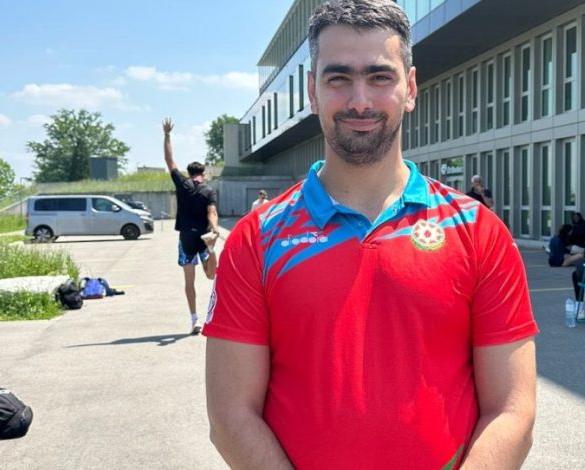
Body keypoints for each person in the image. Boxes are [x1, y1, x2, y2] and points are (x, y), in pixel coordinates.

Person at [202, 1, 539, 468]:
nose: (359, 100)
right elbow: (231, 415)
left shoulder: (479, 232)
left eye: (380, 77)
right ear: (313, 92)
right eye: (338, 78)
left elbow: (511, 411)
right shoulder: (256, 239)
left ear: (410, 88)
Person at [162, 117, 219, 335]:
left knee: (189, 281)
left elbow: (169, 160)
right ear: (202, 174)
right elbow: (211, 212)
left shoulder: (182, 183)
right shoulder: (208, 190)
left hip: (186, 237)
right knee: (211, 275)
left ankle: (195, 319)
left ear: (189, 173)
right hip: (204, 235)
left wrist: (167, 135)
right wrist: (214, 229)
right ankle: (211, 250)